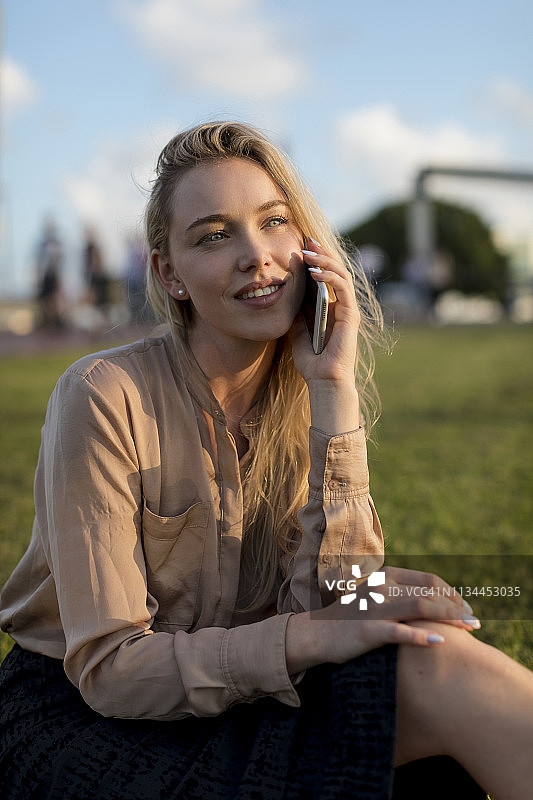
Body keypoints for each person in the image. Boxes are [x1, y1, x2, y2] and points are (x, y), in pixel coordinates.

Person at [0, 121, 532, 800]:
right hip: (83, 722)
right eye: (214, 235)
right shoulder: (103, 395)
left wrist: (334, 389)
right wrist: (308, 636)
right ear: (170, 274)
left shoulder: (306, 388)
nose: (257, 255)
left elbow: (332, 601)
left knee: (435, 659)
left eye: (273, 221)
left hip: (247, 684)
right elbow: (111, 669)